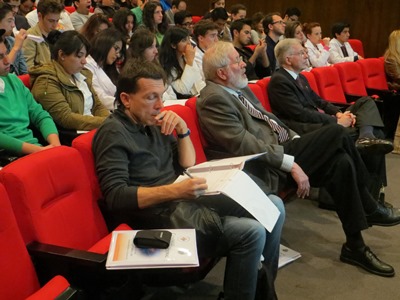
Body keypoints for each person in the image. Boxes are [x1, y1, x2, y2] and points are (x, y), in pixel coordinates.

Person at [197, 41, 400, 278]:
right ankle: (369, 204)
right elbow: (245, 145)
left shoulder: (239, 88)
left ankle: (355, 246)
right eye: (237, 61)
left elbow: (270, 120)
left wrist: (294, 136)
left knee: (340, 163)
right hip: (266, 166)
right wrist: (290, 163)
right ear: (221, 72)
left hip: (286, 145)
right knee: (336, 132)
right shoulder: (213, 99)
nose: (244, 64)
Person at [92, 58, 285, 300]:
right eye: (151, 97)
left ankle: (259, 289)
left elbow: (188, 164)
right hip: (155, 219)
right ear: (126, 99)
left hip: (181, 203)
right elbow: (117, 196)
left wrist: (182, 130)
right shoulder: (113, 133)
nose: (160, 105)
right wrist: (177, 191)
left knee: (274, 207)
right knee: (251, 231)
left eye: (161, 96)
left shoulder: (153, 121)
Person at [30, 30, 110, 140]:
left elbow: (97, 105)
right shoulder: (46, 81)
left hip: (93, 128)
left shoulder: (82, 74)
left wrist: (110, 120)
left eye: (85, 56)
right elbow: (66, 118)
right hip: (71, 135)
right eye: (79, 56)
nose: (84, 61)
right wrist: (106, 122)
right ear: (62, 55)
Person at [0, 28, 60, 159]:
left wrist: (55, 145)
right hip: (8, 155)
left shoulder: (13, 80)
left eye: (6, 54)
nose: (7, 61)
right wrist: (38, 150)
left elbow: (40, 115)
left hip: (34, 150)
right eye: (0, 57)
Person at [85, 28, 125, 110]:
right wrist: (127, 104)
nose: (118, 55)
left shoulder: (110, 68)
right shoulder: (87, 64)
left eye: (119, 51)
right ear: (105, 44)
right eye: (116, 49)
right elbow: (99, 97)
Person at [159, 26, 205, 98]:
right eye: (184, 40)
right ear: (173, 45)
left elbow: (199, 81)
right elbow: (183, 90)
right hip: (183, 100)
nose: (189, 43)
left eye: (188, 39)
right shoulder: (167, 65)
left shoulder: (187, 57)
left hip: (199, 96)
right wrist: (189, 63)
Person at [22, 0, 63, 70]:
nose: (55, 25)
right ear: (40, 16)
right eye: (51, 21)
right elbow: (28, 69)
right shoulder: (30, 37)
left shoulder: (57, 35)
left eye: (57, 21)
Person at [0, 3, 28, 75]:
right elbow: (3, 75)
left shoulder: (12, 41)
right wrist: (15, 48)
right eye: (9, 21)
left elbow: (24, 72)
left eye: (13, 20)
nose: (13, 25)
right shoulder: (16, 44)